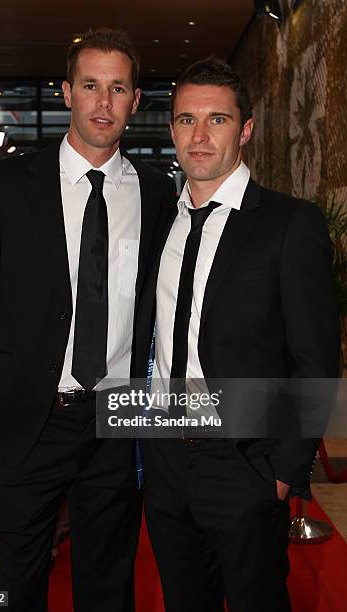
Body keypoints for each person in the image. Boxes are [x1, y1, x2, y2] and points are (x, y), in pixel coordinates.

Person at [0, 27, 174, 612]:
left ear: (135, 100)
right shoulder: (5, 185)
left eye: (118, 87)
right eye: (91, 85)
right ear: (66, 92)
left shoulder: (157, 192)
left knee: (108, 584)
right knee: (13, 587)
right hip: (27, 416)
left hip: (116, 425)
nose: (103, 102)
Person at [133, 57, 340, 611]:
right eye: (185, 120)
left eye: (217, 120)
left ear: (244, 129)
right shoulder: (161, 223)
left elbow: (315, 358)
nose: (199, 137)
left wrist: (280, 472)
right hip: (166, 462)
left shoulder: (289, 223)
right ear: (171, 127)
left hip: (245, 463)